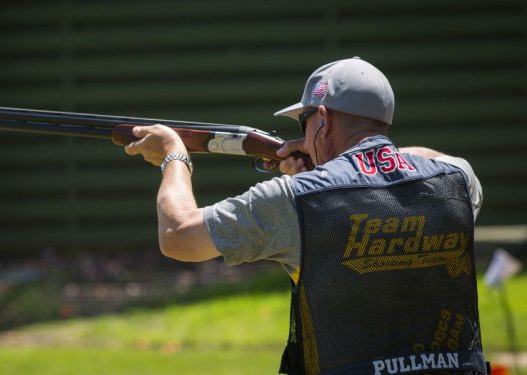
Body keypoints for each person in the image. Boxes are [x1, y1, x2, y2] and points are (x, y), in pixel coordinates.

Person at [124, 57, 486, 375]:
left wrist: (174, 155)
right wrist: (352, 163)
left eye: (305, 124)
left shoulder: (297, 199)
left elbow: (178, 234)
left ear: (323, 120)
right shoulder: (456, 182)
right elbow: (434, 159)